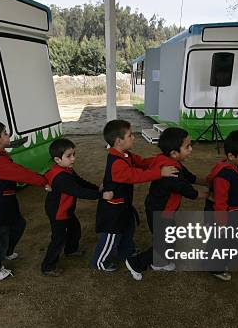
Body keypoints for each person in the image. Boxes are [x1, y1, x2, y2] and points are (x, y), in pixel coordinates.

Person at [92, 119, 178, 272]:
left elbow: (142, 163)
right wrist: (160, 172)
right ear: (119, 141)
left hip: (124, 205)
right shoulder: (116, 162)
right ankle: (100, 262)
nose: (134, 138)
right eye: (130, 135)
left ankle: (126, 252)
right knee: (112, 236)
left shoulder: (125, 154)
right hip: (113, 209)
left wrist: (161, 160)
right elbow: (135, 176)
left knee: (128, 228)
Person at [124, 127, 205, 281]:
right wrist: (209, 194)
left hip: (162, 209)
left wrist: (209, 182)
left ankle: (159, 263)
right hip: (160, 212)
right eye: (187, 146)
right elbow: (189, 192)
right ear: (174, 153)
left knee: (168, 238)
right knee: (163, 243)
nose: (191, 149)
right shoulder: (171, 172)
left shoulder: (168, 160)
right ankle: (136, 262)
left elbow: (190, 177)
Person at [0, 121, 47, 281]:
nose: (8, 135)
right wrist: (43, 180)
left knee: (18, 224)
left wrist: (8, 144)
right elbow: (21, 174)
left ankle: (7, 252)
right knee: (0, 238)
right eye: (5, 133)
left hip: (6, 200)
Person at [42, 138, 113, 276]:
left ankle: (71, 250)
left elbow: (80, 182)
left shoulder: (67, 169)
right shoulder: (61, 177)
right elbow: (79, 191)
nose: (73, 158)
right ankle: (48, 266)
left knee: (75, 228)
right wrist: (101, 196)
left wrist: (98, 189)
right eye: (69, 156)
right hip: (58, 212)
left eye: (74, 154)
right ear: (57, 160)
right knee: (58, 239)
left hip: (66, 209)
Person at [204, 130, 238, 281]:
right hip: (222, 216)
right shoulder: (224, 175)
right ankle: (215, 268)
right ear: (231, 156)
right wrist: (221, 224)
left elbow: (237, 187)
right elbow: (220, 202)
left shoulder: (235, 168)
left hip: (230, 213)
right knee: (219, 242)